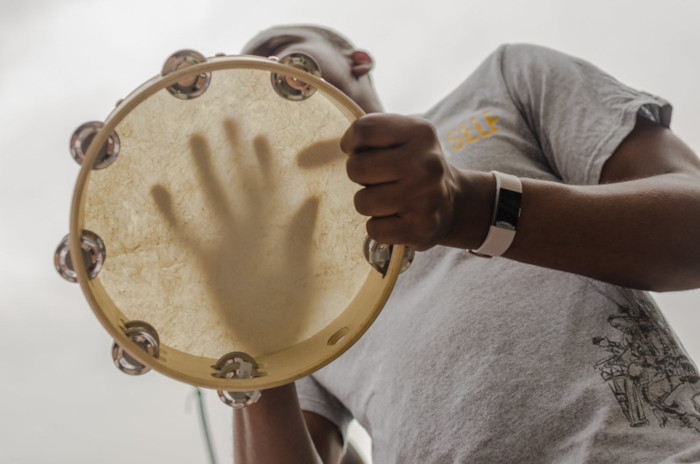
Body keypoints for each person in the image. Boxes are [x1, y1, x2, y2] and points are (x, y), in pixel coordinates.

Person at [233, 24, 700, 463]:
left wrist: (471, 207)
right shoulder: (289, 280)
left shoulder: (503, 81)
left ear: (357, 59)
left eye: (281, 48)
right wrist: (239, 336)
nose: (263, 74)